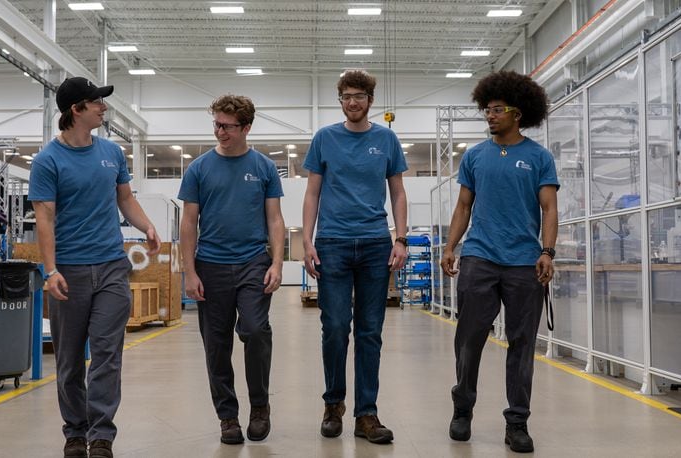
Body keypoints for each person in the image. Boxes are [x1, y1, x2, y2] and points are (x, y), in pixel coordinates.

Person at [29, 76, 161, 458]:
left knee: (107, 354)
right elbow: (45, 219)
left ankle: (101, 434)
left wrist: (147, 225)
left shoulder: (112, 153)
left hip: (111, 267)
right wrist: (50, 270)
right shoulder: (47, 161)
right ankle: (75, 432)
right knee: (70, 360)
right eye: (96, 102)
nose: (103, 107)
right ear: (76, 110)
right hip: (69, 271)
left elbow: (125, 199)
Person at [440, 70, 559, 453]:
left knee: (522, 345)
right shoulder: (474, 156)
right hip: (479, 258)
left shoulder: (539, 157)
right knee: (469, 340)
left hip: (525, 262)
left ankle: (517, 422)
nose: (489, 115)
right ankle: (463, 410)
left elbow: (549, 208)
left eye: (496, 109)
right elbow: (463, 206)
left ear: (517, 113)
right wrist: (449, 246)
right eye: (486, 110)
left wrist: (547, 251)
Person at [302, 69, 408, 444]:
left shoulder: (387, 139)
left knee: (370, 332)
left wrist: (401, 238)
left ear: (370, 101)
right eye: (346, 96)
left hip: (376, 244)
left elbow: (397, 192)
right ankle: (333, 405)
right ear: (341, 100)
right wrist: (308, 241)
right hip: (332, 243)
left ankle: (367, 414)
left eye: (359, 96)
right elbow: (312, 192)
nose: (353, 102)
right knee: (334, 329)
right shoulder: (324, 138)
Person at [178, 94, 285, 445]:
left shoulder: (265, 168)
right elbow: (188, 224)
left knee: (255, 331)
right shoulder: (199, 168)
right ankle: (227, 417)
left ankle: (259, 406)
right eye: (217, 125)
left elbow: (275, 219)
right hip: (211, 266)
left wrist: (278, 263)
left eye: (227, 126)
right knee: (216, 345)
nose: (220, 131)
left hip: (254, 261)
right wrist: (189, 272)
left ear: (246, 127)